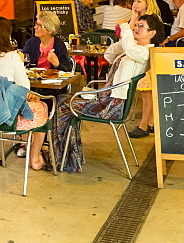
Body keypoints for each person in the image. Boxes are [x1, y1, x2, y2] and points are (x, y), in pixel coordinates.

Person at [54, 14, 164, 152]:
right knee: (61, 100)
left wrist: (125, 28)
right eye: (136, 25)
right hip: (106, 98)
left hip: (113, 105)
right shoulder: (133, 48)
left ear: (152, 33)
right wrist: (123, 39)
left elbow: (131, 49)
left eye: (141, 26)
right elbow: (109, 56)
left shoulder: (145, 52)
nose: (136, 28)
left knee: (62, 105)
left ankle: (63, 152)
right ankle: (66, 150)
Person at [0, 16, 50, 170]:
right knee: (42, 108)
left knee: (25, 105)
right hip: (11, 118)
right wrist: (19, 62)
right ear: (6, 35)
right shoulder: (12, 56)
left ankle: (25, 144)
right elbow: (24, 87)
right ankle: (34, 157)